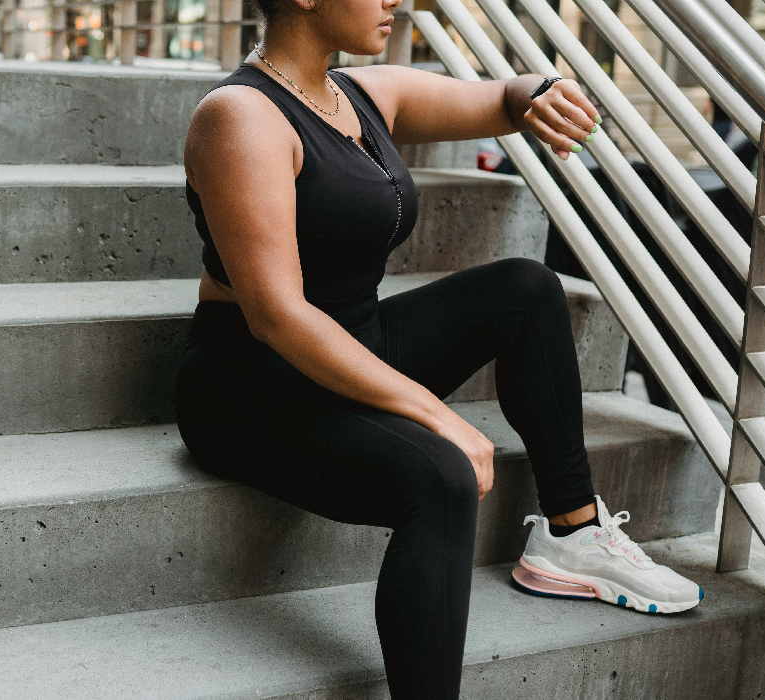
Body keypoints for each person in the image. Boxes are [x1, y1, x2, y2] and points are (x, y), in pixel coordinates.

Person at [173, 0, 703, 694]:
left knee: (526, 289)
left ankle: (572, 537)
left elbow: (497, 100)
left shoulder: (363, 94)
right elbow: (277, 315)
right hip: (254, 386)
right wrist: (434, 412)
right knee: (442, 475)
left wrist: (539, 93)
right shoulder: (240, 116)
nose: (396, 0)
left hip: (353, 343)